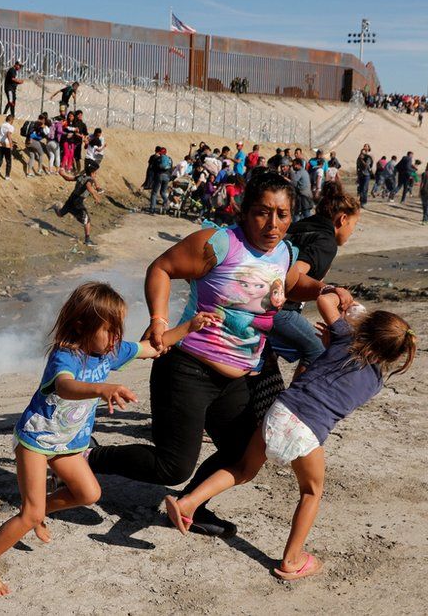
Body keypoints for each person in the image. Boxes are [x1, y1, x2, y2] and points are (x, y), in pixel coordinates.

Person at [87, 172, 354, 538]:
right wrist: (159, 320)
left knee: (244, 453)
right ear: (245, 212)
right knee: (171, 466)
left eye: (282, 214)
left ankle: (192, 506)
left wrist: (326, 287)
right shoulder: (219, 243)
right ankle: (88, 458)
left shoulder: (284, 251)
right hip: (187, 368)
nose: (272, 224)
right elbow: (162, 268)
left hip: (239, 376)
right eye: (262, 212)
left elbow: (291, 284)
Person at [0, 281, 220, 597]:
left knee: (88, 493)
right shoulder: (66, 356)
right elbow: (64, 387)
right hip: (36, 440)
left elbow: (153, 347)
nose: (116, 339)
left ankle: (38, 511)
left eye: (119, 331)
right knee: (30, 513)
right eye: (109, 330)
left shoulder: (109, 352)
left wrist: (190, 326)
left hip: (68, 443)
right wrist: (102, 389)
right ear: (81, 326)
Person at [165, 297, 416, 581]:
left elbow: (324, 301)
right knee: (311, 492)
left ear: (365, 327)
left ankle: (188, 503)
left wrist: (343, 301)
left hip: (280, 411)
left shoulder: (343, 338)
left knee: (243, 470)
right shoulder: (375, 382)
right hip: (308, 431)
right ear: (394, 356)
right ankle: (292, 559)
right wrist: (338, 337)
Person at [269, 183, 360, 372]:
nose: (351, 231)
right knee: (318, 350)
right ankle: (297, 400)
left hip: (256, 298)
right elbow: (294, 273)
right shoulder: (326, 242)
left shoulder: (299, 226)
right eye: (353, 225)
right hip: (278, 308)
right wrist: (327, 290)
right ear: (343, 219)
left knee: (268, 360)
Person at [53, 160, 103, 245]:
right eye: (95, 172)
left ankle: (55, 207)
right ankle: (87, 240)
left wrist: (62, 174)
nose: (96, 174)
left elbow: (68, 178)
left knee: (60, 214)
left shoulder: (81, 176)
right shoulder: (89, 180)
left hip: (71, 198)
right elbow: (88, 186)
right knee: (87, 220)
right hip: (78, 202)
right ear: (93, 172)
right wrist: (95, 195)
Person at [0, 114, 17, 181]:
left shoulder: (1, 125)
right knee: (8, 161)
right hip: (6, 146)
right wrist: (11, 144)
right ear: (11, 120)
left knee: (0, 159)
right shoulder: (10, 127)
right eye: (13, 120)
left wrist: (0, 137)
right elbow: (8, 134)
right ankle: (7, 176)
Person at [150, 147, 174, 214]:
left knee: (154, 193)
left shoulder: (158, 159)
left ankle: (152, 209)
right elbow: (171, 169)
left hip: (159, 176)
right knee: (163, 192)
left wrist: (152, 178)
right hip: (167, 177)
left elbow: (153, 169)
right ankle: (166, 201)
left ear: (160, 152)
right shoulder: (170, 159)